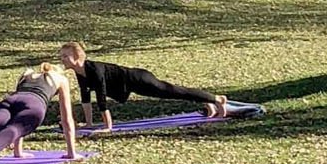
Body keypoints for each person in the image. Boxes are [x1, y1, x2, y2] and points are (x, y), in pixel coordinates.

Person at [58, 41, 227, 132]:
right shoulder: (80, 73)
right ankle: (207, 102)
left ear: (77, 57)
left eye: (65, 56)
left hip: (138, 78)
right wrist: (88, 124)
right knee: (172, 93)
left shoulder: (94, 70)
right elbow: (86, 98)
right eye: (62, 56)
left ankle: (216, 99)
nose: (62, 60)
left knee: (170, 91)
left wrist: (108, 127)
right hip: (130, 85)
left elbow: (101, 98)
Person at [0, 63, 79, 162]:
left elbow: (18, 110)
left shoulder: (27, 74)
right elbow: (66, 118)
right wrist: (71, 153)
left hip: (10, 100)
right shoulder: (61, 79)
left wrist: (18, 152)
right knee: (16, 128)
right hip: (34, 103)